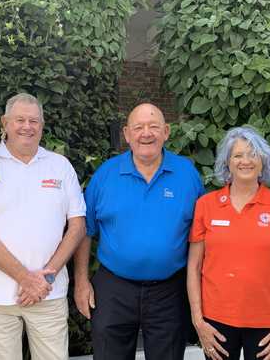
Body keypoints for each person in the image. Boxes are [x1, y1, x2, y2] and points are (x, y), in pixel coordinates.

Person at [0, 93, 86, 360]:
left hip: (48, 294)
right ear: (4, 123)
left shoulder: (59, 165)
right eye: (19, 120)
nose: (27, 127)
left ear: (42, 125)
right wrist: (26, 279)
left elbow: (77, 227)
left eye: (34, 121)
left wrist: (46, 277)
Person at [74, 103, 205, 360]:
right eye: (139, 127)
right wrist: (81, 281)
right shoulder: (106, 175)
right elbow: (84, 231)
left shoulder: (187, 174)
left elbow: (201, 234)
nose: (147, 133)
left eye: (154, 126)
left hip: (170, 289)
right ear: (126, 134)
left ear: (166, 132)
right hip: (114, 289)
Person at [188, 127, 270, 360]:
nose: (246, 161)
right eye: (238, 155)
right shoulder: (206, 205)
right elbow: (193, 267)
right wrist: (198, 321)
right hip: (216, 322)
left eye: (253, 154)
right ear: (227, 163)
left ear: (263, 162)